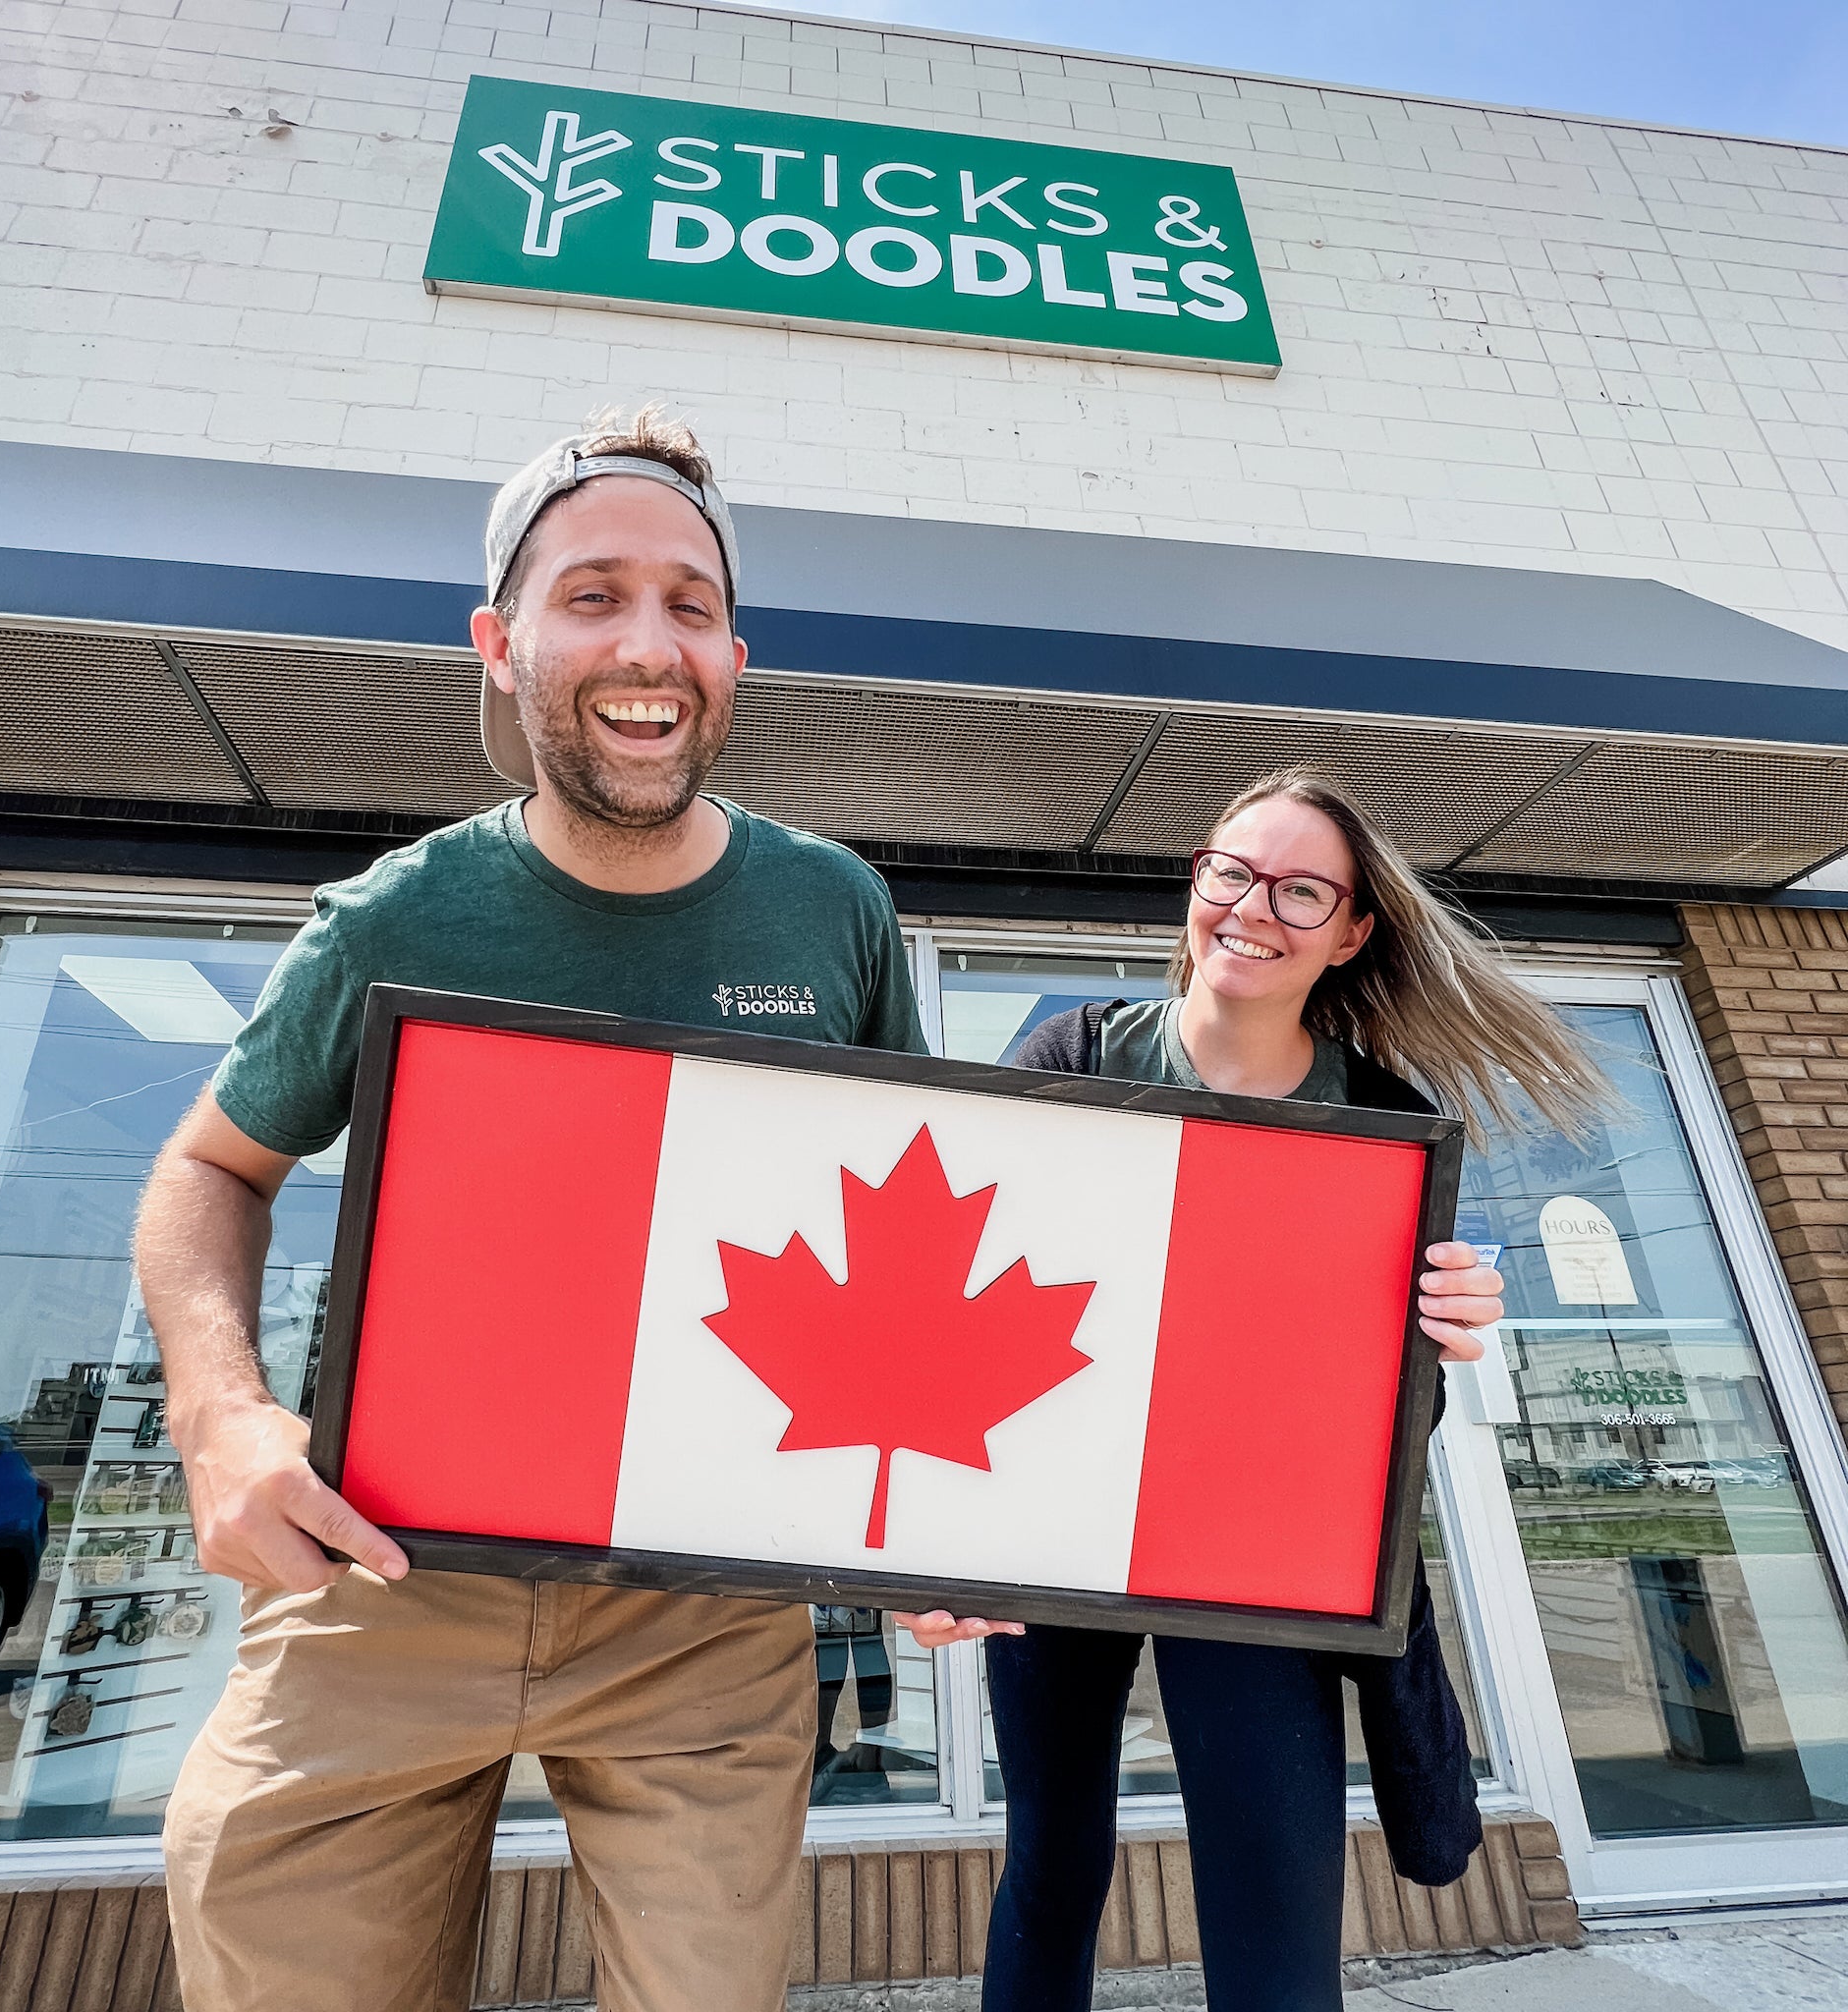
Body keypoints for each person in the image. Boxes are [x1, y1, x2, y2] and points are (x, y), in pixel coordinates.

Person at [137, 412, 926, 2012]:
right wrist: (222, 1415)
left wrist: (943, 1507)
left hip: (702, 1603)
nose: (649, 642)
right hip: (380, 1569)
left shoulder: (832, 907)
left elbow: (897, 1234)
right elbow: (206, 1170)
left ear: (732, 653)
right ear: (500, 644)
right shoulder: (400, 912)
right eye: (593, 594)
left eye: (689, 605)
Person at [903, 767, 1609, 2012]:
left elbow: (1382, 1420)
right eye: (1232, 870)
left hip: (1259, 1546)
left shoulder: (1384, 1117)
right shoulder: (1075, 1051)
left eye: (1298, 888)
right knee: (1051, 1865)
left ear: (1348, 931)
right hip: (1066, 1528)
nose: (1252, 906)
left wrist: (1433, 1339)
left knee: (1275, 1904)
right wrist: (943, 1529)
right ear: (1195, 880)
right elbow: (961, 1306)